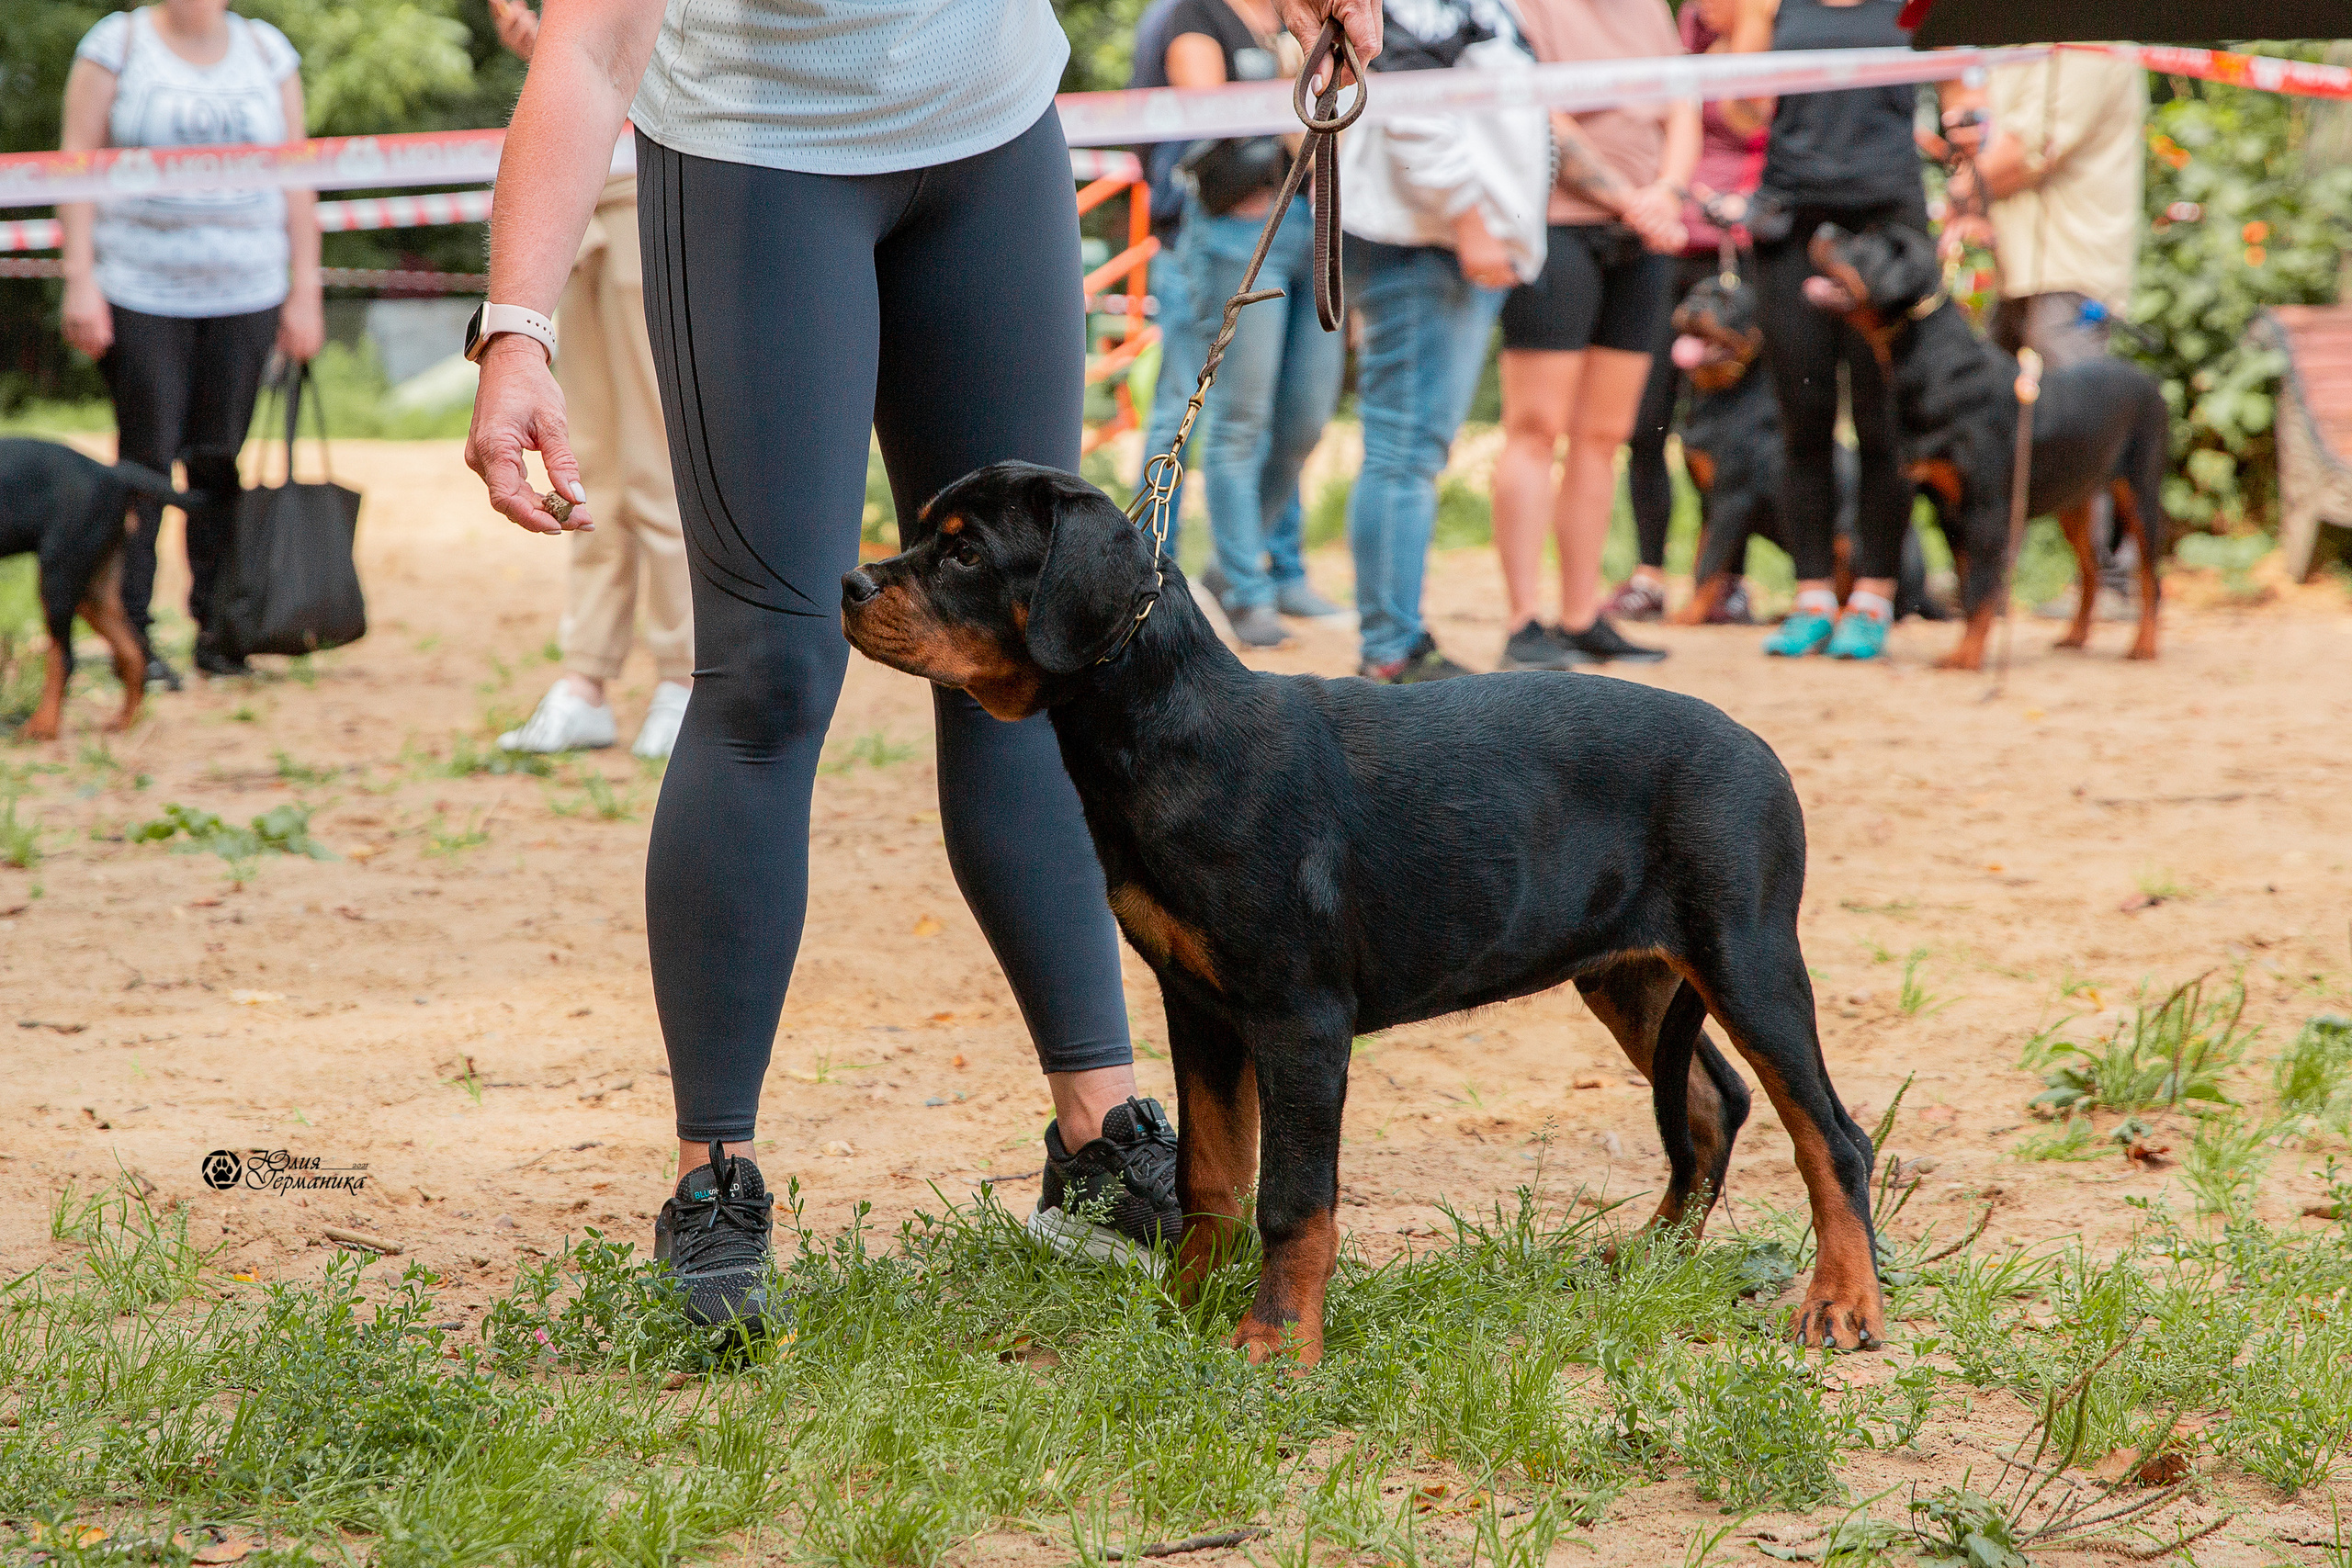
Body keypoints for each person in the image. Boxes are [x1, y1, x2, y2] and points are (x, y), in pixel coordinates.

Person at [464, 0, 1382, 1322]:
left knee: (1031, 658)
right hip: (755, 155)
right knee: (772, 673)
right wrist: (516, 330)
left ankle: (1098, 1130)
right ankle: (714, 1177)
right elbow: (595, 45)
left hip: (988, 132)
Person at [57, 0, 324, 684]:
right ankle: (134, 634)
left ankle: (221, 627)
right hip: (141, 288)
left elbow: (298, 180)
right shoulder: (115, 45)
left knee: (219, 463)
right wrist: (80, 279)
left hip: (247, 290)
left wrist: (305, 288)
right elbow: (72, 166)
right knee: (144, 465)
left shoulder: (267, 52)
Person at [481, 0, 694, 761]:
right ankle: (587, 678)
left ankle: (682, 674)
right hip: (585, 204)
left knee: (659, 457)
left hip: (658, 192)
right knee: (588, 459)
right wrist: (546, 43)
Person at [1338, 0, 1549, 682]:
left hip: (1443, 237)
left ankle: (1396, 638)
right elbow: (1406, 98)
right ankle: (1392, 648)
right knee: (1403, 450)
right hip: (1425, 240)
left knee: (1412, 449)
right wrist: (1468, 215)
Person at [1488, 0, 1697, 669]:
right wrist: (1631, 200)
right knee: (1535, 426)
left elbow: (1683, 105)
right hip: (1554, 228)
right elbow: (1534, 113)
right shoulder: (1525, 7)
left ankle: (1581, 617)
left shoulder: (1647, 11)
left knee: (1604, 435)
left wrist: (1667, 191)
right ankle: (1524, 622)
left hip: (1646, 235)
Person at [1164, 0, 1349, 649]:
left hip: (1309, 218)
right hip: (1236, 230)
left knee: (1303, 418)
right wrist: (1292, 99)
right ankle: (1245, 587)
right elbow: (1209, 114)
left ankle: (1234, 565)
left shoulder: (1294, 23)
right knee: (1239, 420)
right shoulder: (1198, 17)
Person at [1936, 51, 2145, 623]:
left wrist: (1953, 198)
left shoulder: (2092, 41)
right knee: (1990, 435)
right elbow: (1988, 125)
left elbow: (2032, 149)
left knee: (2086, 431)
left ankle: (2106, 584)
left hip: (2073, 267)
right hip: (2014, 263)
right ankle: (1987, 584)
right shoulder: (2022, 39)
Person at [1747, 0, 1922, 662]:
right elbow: (1742, 107)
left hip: (1887, 224)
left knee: (1885, 425)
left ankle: (1874, 596)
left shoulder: (1911, 6)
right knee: (1803, 420)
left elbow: (1967, 92)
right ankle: (1813, 595)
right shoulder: (1771, 4)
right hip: (1791, 224)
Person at [1609, 0, 1772, 626]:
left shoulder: (1778, 45)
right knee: (1645, 418)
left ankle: (1725, 579)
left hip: (1738, 260)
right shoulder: (1680, 44)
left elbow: (1746, 114)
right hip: (1668, 246)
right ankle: (1649, 573)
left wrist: (1751, 33)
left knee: (1739, 431)